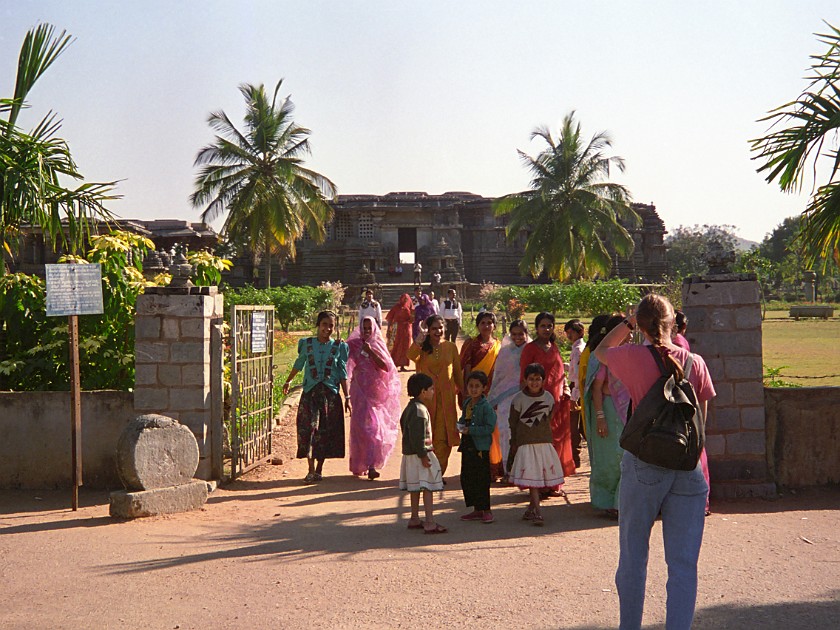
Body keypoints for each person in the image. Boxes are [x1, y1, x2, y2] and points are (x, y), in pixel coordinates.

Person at [594, 293, 716, 630]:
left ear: (642, 325)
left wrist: (628, 323)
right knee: (683, 563)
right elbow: (700, 423)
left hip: (644, 463)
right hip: (688, 469)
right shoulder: (695, 363)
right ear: (673, 324)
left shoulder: (630, 356)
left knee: (633, 557)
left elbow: (600, 351)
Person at [283, 311, 350, 484]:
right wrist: (288, 381)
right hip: (311, 394)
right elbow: (299, 363)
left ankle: (319, 469)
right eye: (324, 325)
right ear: (318, 325)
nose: (327, 329)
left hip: (329, 395)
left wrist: (347, 396)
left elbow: (342, 373)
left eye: (331, 326)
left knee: (324, 432)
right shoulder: (307, 344)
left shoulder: (339, 347)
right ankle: (310, 469)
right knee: (309, 429)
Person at [583, 315, 631, 518]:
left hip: (625, 411)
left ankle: (621, 502)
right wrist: (600, 417)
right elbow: (596, 389)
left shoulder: (628, 354)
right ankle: (608, 502)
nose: (628, 338)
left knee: (624, 456)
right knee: (609, 459)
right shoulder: (603, 356)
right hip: (608, 411)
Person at [519, 312, 576, 479]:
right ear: (536, 328)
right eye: (543, 326)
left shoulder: (554, 347)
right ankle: (540, 482)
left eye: (549, 325)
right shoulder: (530, 349)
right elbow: (524, 376)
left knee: (557, 441)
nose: (546, 329)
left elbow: (559, 373)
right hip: (537, 402)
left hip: (557, 401)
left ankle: (554, 480)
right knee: (541, 443)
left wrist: (565, 390)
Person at [508, 363, 565, 526]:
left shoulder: (548, 398)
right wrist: (514, 443)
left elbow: (549, 417)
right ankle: (538, 513)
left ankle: (530, 510)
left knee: (538, 478)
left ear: (544, 380)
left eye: (538, 379)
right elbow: (513, 422)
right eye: (531, 379)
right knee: (533, 480)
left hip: (544, 443)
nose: (534, 382)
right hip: (526, 444)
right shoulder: (518, 399)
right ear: (525, 380)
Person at [407, 315, 464, 475]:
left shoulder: (451, 347)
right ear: (428, 331)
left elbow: (458, 374)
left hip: (447, 400)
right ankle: (428, 473)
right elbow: (410, 356)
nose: (438, 331)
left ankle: (438, 473)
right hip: (427, 401)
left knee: (445, 439)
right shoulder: (422, 348)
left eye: (440, 327)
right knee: (427, 436)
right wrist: (420, 337)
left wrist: (465, 395)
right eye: (434, 328)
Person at [346, 316, 402, 480]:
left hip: (375, 392)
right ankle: (359, 463)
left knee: (374, 428)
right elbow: (342, 355)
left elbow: (386, 367)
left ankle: (371, 465)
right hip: (359, 391)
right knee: (359, 429)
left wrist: (371, 352)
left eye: (369, 328)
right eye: (364, 328)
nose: (367, 331)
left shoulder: (377, 345)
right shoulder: (354, 344)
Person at [399, 373, 447, 534]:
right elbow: (418, 435)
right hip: (420, 454)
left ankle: (414, 518)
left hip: (410, 455)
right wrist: (423, 455)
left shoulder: (410, 408)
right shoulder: (419, 410)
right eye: (431, 389)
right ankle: (430, 521)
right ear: (423, 391)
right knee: (427, 487)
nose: (433, 392)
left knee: (414, 488)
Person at [460, 311, 503, 479]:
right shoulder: (471, 344)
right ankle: (478, 468)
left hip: (494, 392)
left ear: (494, 325)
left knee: (493, 429)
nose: (486, 326)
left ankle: (494, 466)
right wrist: (468, 392)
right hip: (475, 392)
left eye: (489, 322)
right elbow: (466, 367)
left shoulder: (499, 345)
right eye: (483, 323)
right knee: (476, 428)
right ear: (478, 325)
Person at [487, 319, 531, 481]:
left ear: (526, 334)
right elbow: (498, 377)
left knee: (524, 433)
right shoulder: (505, 352)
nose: (518, 337)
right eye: (514, 334)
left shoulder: (531, 350)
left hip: (527, 397)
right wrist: (494, 398)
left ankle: (525, 472)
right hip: (506, 398)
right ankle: (508, 470)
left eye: (521, 334)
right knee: (506, 432)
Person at [456, 370, 497, 524]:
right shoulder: (467, 403)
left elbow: (489, 427)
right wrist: (460, 427)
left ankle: (487, 510)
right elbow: (463, 419)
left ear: (484, 388)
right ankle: (476, 509)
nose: (473, 389)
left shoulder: (486, 407)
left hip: (480, 447)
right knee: (468, 477)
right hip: (467, 444)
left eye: (477, 386)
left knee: (481, 478)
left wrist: (471, 430)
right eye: (471, 386)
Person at [564, 319, 587, 468]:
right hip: (575, 388)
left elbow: (578, 376)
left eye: (571, 332)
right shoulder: (576, 349)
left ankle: (575, 458)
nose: (568, 335)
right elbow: (573, 370)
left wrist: (574, 397)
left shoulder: (579, 350)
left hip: (576, 390)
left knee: (575, 426)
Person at [385, 293, 413, 371]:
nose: (405, 300)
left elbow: (413, 317)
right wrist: (388, 329)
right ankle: (394, 364)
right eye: (403, 298)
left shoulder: (409, 307)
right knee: (396, 345)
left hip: (406, 329)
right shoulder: (396, 307)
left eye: (406, 299)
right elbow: (390, 318)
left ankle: (403, 365)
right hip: (397, 329)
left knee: (405, 346)